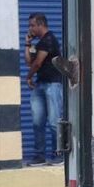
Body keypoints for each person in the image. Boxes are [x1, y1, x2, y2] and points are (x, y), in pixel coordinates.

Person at [24, 13, 62, 166]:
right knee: (37, 122)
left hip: (53, 85)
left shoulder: (49, 40)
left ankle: (59, 154)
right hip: (40, 85)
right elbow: (29, 61)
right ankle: (39, 156)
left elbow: (37, 63)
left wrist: (28, 77)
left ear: (41, 24)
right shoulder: (39, 43)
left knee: (54, 121)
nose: (30, 28)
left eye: (32, 25)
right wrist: (27, 44)